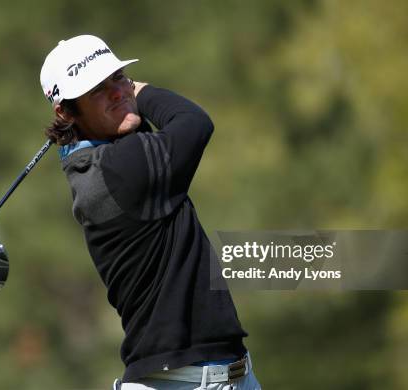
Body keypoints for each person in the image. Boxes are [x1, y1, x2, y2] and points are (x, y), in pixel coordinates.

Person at [39, 35, 261, 390]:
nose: (116, 91)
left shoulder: (96, 162)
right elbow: (193, 122)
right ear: (66, 111)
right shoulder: (120, 170)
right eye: (98, 88)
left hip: (229, 377)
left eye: (118, 77)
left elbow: (132, 127)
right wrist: (138, 91)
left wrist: (118, 97)